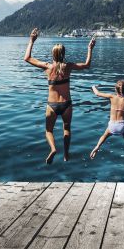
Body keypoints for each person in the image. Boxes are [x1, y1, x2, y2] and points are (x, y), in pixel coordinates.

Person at [24, 28, 96, 163]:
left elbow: (27, 58)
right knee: (67, 128)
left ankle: (53, 149)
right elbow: (87, 65)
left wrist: (31, 41)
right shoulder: (68, 67)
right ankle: (66, 154)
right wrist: (90, 48)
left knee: (48, 131)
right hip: (66, 105)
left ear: (53, 54)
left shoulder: (47, 67)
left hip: (51, 106)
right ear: (63, 54)